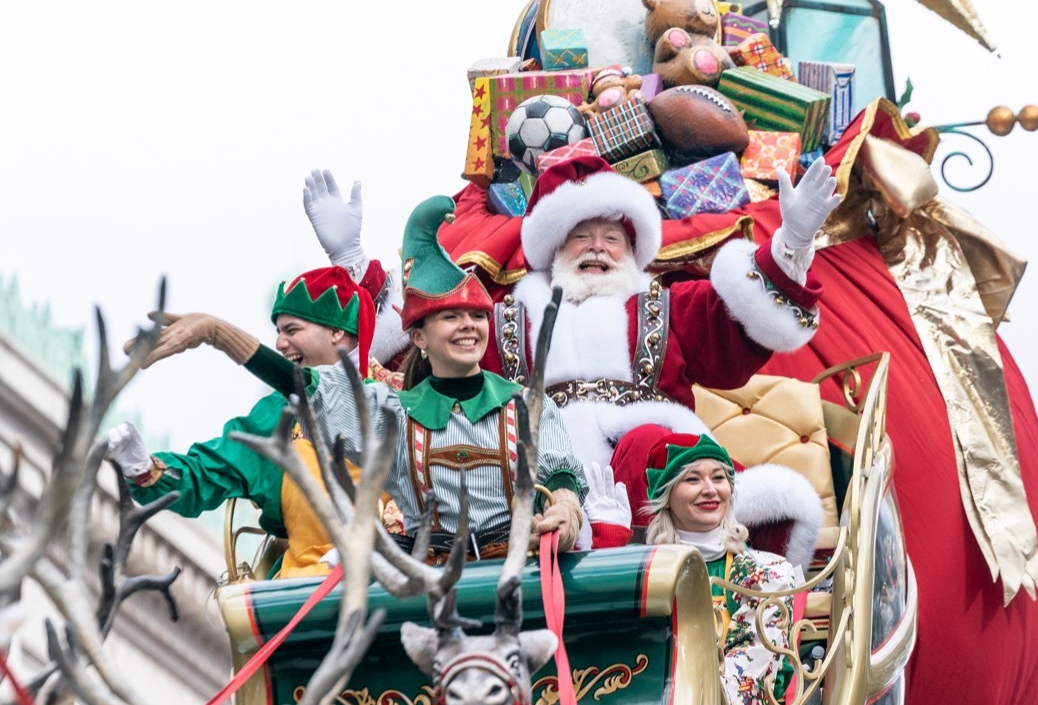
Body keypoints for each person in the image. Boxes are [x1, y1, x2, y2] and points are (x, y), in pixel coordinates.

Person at [304, 157, 836, 568]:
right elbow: (419, 347)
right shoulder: (503, 318)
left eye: (611, 238)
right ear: (555, 248)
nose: (596, 248)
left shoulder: (668, 304)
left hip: (656, 467)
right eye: (581, 237)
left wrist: (792, 243)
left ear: (632, 250)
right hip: (535, 472)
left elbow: (738, 329)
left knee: (652, 444)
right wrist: (352, 263)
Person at [140, 196, 585, 559]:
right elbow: (298, 389)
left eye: (477, 315)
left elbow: (559, 472)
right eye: (451, 316)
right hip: (417, 591)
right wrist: (218, 334)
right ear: (418, 337)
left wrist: (566, 510)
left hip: (513, 581)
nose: (468, 326)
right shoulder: (389, 413)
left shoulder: (526, 406)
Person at [584, 435, 802, 705]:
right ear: (667, 496)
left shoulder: (767, 572)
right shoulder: (645, 570)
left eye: (718, 477)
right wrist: (608, 552)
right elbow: (607, 653)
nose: (710, 489)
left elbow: (747, 685)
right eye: (692, 479)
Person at [106, 266, 380, 578]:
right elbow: (207, 473)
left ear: (336, 332)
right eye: (278, 332)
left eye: (291, 330)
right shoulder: (278, 415)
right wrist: (142, 467)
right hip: (303, 588)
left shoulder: (393, 400)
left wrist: (219, 334)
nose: (280, 343)